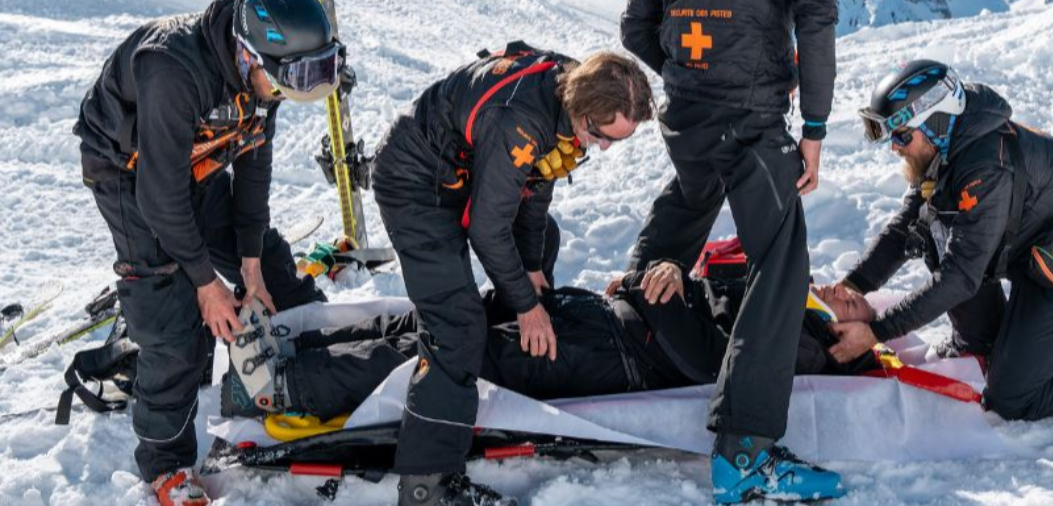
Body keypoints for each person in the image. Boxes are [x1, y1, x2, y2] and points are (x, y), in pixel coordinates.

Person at [618, 0, 842, 504]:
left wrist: (688, 77)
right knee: (780, 265)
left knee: (689, 202)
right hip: (752, 120)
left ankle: (635, 299)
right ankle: (743, 453)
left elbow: (635, 28)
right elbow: (817, 27)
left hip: (685, 116)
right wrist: (815, 127)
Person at [74, 0, 340, 506]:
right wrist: (206, 284)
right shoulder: (172, 68)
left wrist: (251, 267)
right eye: (288, 81)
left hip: (197, 161)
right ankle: (165, 464)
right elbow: (160, 198)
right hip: (128, 173)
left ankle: (309, 377)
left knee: (273, 268)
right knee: (175, 330)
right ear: (247, 54)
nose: (289, 92)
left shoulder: (267, 76)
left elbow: (254, 171)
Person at [819, 59, 1053, 423]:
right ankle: (980, 342)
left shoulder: (984, 169)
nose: (895, 148)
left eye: (901, 135)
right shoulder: (950, 149)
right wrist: (851, 287)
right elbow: (904, 229)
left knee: (1011, 396)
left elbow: (961, 276)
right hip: (1048, 263)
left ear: (935, 121)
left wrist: (876, 332)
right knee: (931, 229)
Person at [371, 42, 654, 506]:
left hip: (459, 174)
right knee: (457, 327)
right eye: (602, 135)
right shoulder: (521, 121)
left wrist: (532, 269)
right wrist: (526, 304)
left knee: (544, 241)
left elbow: (535, 185)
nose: (603, 147)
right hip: (416, 183)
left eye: (616, 141)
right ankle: (427, 484)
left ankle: (497, 346)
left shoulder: (568, 89)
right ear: (584, 111)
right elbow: (487, 228)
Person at [219, 224, 876, 423]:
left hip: (611, 356)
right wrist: (656, 279)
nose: (836, 289)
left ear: (852, 339)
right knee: (441, 326)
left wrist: (662, 298)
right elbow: (712, 300)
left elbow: (714, 357)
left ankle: (282, 387)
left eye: (852, 302)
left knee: (453, 360)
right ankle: (295, 346)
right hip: (599, 318)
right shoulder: (792, 312)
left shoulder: (807, 351)